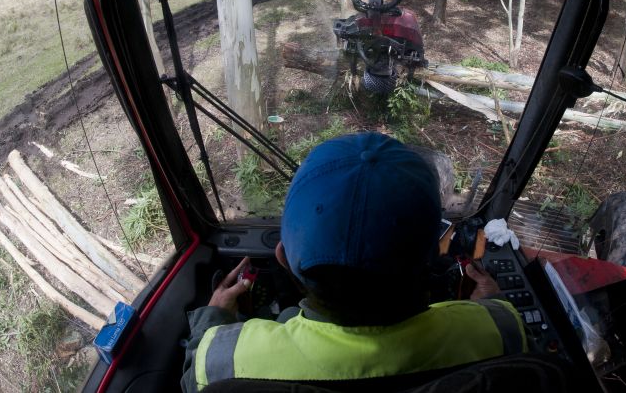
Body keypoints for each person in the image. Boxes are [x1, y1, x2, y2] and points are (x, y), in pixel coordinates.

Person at [181, 132, 528, 392]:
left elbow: (192, 375)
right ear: (436, 255)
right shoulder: (499, 330)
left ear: (283, 258)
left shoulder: (223, 360)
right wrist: (491, 305)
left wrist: (214, 317)